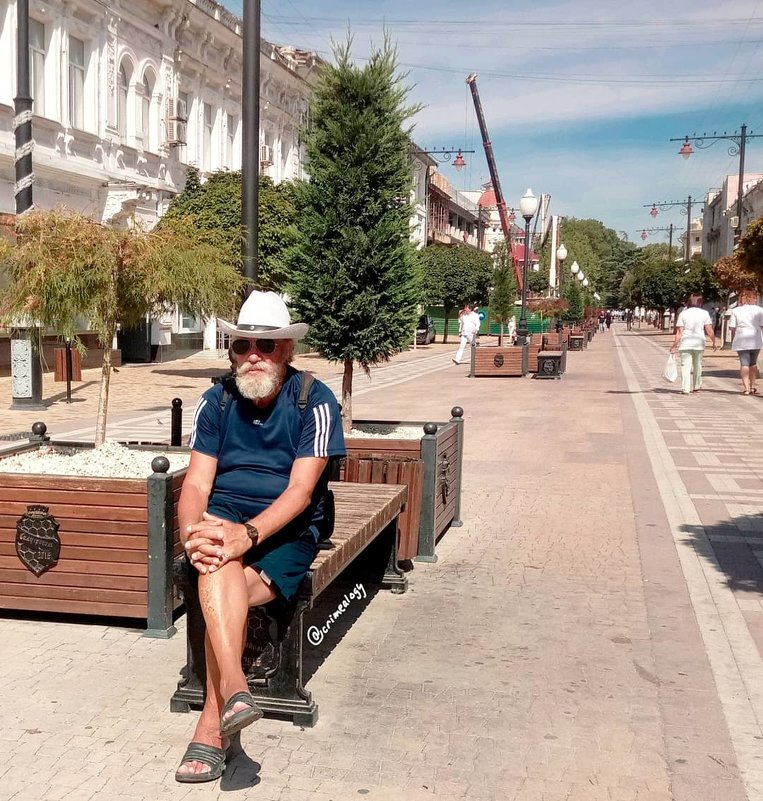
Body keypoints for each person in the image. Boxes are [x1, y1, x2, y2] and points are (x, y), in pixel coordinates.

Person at [175, 291, 345, 783]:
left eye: (266, 345)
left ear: (287, 351)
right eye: (242, 344)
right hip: (223, 516)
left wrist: (244, 537)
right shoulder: (218, 401)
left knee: (216, 587)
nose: (253, 354)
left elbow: (299, 491)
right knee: (214, 568)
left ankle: (214, 717)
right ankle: (235, 689)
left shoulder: (314, 401)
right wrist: (194, 536)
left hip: (288, 528)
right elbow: (197, 485)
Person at [670, 293, 716, 395]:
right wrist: (713, 341)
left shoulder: (683, 313)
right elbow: (709, 329)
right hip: (699, 342)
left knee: (685, 366)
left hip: (686, 342)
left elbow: (679, 332)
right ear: (700, 302)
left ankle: (685, 388)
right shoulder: (704, 313)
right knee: (698, 365)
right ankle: (696, 386)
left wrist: (674, 346)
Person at [729, 290, 763, 395]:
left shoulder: (736, 311)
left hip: (741, 337)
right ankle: (752, 385)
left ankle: (746, 388)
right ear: (754, 298)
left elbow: (732, 327)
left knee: (744, 363)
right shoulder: (759, 310)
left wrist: (733, 339)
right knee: (753, 363)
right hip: (755, 337)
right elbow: (762, 326)